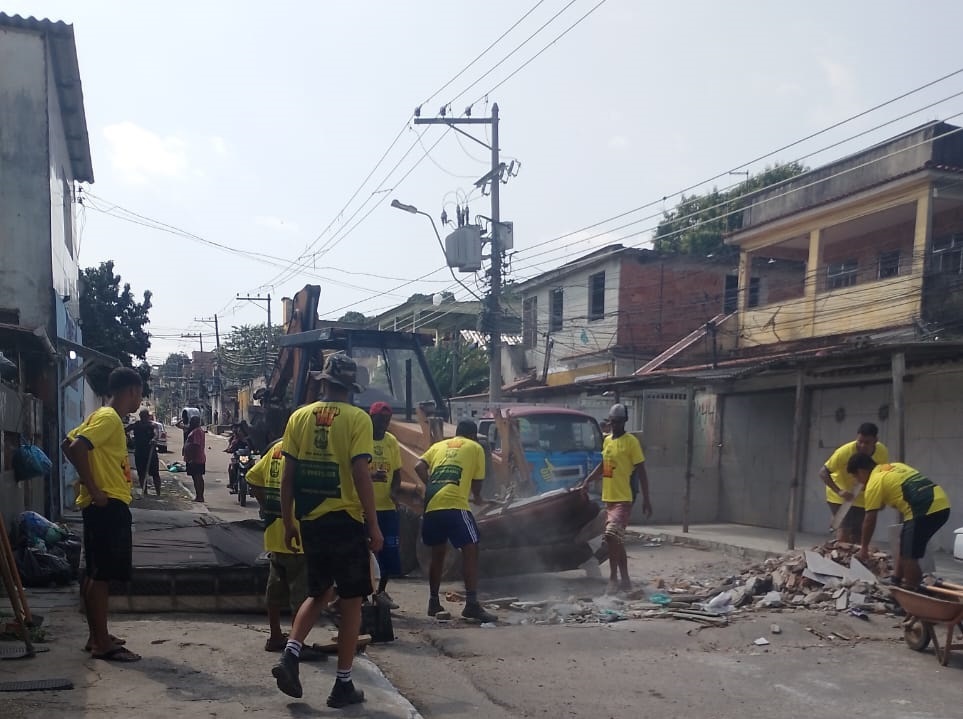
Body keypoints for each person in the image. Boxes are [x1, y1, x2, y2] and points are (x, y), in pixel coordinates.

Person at [271, 353, 383, 708]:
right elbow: (361, 474)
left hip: (311, 520)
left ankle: (290, 654)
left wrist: (288, 521)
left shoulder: (299, 417)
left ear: (323, 382)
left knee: (317, 592)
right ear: (351, 388)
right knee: (352, 604)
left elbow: (288, 476)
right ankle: (343, 685)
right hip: (346, 521)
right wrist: (374, 525)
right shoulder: (357, 419)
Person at [62, 366, 143, 662]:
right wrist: (94, 488)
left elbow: (67, 444)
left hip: (104, 503)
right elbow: (78, 448)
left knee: (96, 572)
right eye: (140, 394)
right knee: (101, 576)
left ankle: (97, 635)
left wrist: (87, 483)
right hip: (106, 504)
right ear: (133, 391)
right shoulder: (109, 418)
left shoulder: (99, 416)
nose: (139, 400)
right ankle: (101, 643)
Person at [246, 439, 324, 659]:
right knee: (301, 593)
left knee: (275, 588)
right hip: (298, 533)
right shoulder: (304, 451)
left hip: (275, 531)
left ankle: (275, 636)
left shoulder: (275, 450)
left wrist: (265, 506)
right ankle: (295, 645)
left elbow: (252, 477)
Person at [415, 419, 496, 624]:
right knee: (471, 547)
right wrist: (477, 497)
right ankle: (471, 604)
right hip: (454, 505)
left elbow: (418, 466)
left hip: (432, 505)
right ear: (473, 435)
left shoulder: (439, 445)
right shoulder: (475, 447)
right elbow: (477, 485)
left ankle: (433, 602)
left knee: (438, 552)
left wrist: (433, 485)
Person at [847, 454, 951, 589]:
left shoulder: (874, 482)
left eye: (856, 477)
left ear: (861, 471)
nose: (858, 482)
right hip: (941, 504)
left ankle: (912, 591)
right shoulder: (894, 467)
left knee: (909, 557)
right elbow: (887, 499)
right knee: (904, 545)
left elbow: (870, 519)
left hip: (923, 509)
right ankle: (896, 579)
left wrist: (864, 548)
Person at [581, 403, 652, 594]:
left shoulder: (631, 442)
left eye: (619, 422)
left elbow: (642, 471)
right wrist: (588, 480)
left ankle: (613, 578)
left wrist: (646, 498)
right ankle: (626, 580)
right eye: (612, 422)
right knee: (617, 540)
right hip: (609, 498)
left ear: (625, 421)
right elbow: (606, 467)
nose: (615, 425)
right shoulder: (608, 441)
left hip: (624, 499)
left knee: (611, 535)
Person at [819, 422, 889, 543]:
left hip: (863, 498)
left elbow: (882, 476)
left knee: (858, 536)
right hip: (841, 496)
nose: (862, 446)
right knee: (844, 534)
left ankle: (854, 560)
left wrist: (882, 499)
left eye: (866, 443)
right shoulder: (844, 452)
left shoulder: (882, 452)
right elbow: (823, 472)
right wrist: (839, 491)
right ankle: (838, 556)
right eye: (859, 441)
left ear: (875, 441)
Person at [369, 401, 403, 609]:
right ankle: (367, 593)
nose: (384, 424)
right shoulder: (362, 438)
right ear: (371, 418)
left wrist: (394, 491)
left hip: (387, 508)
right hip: (365, 508)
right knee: (369, 553)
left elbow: (397, 473)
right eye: (380, 420)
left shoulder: (391, 442)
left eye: (387, 420)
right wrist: (371, 476)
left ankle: (381, 591)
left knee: (390, 551)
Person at [127, 409, 161, 496]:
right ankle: (144, 491)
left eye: (145, 416)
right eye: (143, 416)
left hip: (150, 452)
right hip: (139, 452)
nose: (145, 417)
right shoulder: (136, 425)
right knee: (141, 473)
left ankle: (158, 493)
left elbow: (156, 433)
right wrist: (129, 439)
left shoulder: (152, 425)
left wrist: (154, 439)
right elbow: (125, 429)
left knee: (155, 473)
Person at [184, 415, 207, 503]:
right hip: (195, 458)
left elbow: (196, 445)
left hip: (196, 459)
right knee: (196, 477)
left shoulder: (197, 431)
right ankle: (199, 496)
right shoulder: (195, 431)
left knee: (197, 477)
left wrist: (192, 458)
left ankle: (200, 496)